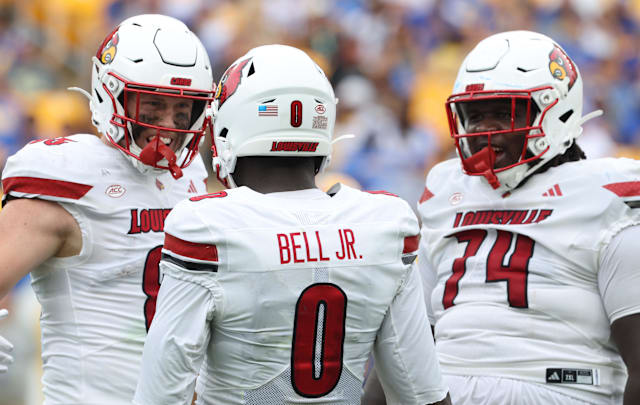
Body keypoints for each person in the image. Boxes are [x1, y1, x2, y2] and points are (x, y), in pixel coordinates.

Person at [132, 44, 451, 405]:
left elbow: (159, 395)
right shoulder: (385, 223)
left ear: (229, 129)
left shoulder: (208, 226)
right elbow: (422, 395)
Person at [0, 14, 214, 404]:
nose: (168, 125)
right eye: (152, 108)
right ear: (111, 94)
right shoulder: (70, 177)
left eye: (182, 110)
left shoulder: (189, 176)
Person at [365, 30, 640, 405]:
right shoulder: (446, 191)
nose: (482, 130)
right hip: (446, 390)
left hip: (562, 389)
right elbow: (409, 337)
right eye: (473, 115)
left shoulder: (608, 195)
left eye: (503, 113)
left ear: (555, 109)